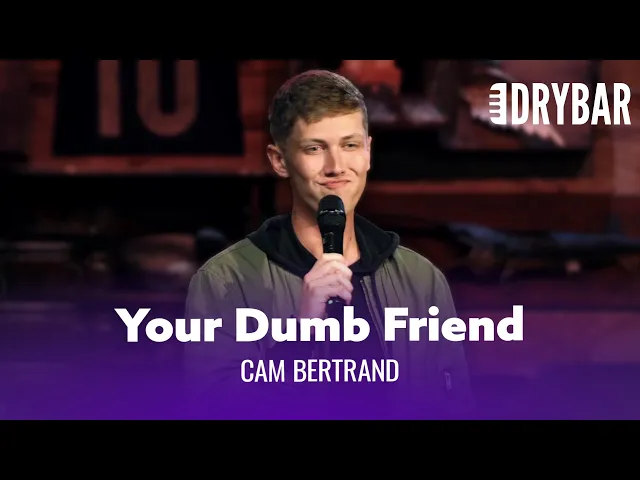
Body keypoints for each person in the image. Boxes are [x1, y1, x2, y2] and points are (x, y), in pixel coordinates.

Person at [184, 69, 474, 419]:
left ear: (368, 152)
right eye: (314, 148)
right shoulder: (225, 280)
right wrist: (300, 336)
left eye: (350, 145)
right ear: (279, 161)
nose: (336, 166)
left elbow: (454, 406)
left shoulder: (421, 279)